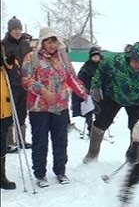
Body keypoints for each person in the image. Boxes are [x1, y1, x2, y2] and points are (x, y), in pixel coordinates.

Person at [22, 27, 90, 187]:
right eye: (48, 41)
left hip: (60, 107)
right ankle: (40, 174)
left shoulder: (62, 58)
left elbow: (72, 78)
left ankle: (60, 171)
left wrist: (85, 95)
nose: (51, 45)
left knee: (61, 141)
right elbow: (26, 79)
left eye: (54, 41)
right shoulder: (31, 58)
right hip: (39, 109)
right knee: (40, 142)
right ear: (42, 42)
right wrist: (42, 90)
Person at [83, 42, 139, 164]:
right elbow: (100, 70)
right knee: (100, 124)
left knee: (137, 127)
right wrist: (96, 86)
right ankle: (91, 155)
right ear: (130, 57)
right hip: (113, 96)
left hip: (135, 101)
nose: (138, 66)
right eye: (136, 61)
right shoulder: (115, 61)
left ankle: (133, 156)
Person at [2, 16, 33, 152]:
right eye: (14, 29)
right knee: (9, 112)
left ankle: (21, 140)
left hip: (24, 82)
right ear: (9, 30)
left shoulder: (25, 43)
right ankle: (9, 142)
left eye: (19, 29)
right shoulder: (4, 44)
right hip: (10, 82)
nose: (17, 31)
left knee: (22, 111)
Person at [71, 47, 103, 136]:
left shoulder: (103, 66)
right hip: (88, 93)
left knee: (101, 112)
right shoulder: (86, 67)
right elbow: (80, 80)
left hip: (101, 93)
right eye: (94, 56)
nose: (96, 58)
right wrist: (84, 92)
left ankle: (100, 129)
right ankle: (90, 129)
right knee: (89, 112)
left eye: (97, 56)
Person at [1, 45, 16, 189]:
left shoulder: (4, 66)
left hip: (3, 111)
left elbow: (14, 75)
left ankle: (1, 176)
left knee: (1, 145)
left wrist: (9, 62)